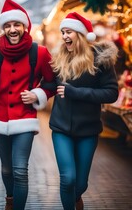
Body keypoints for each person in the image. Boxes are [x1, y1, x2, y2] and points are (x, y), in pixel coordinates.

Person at [0, 0, 56, 210]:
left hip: (25, 119)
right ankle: (10, 200)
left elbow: (52, 82)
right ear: (3, 28)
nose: (12, 29)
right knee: (6, 170)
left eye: (16, 25)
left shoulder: (39, 53)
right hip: (0, 119)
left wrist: (37, 94)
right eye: (8, 26)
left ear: (24, 26)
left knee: (20, 170)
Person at [42, 12, 118, 210]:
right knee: (68, 179)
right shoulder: (58, 59)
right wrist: (36, 92)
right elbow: (49, 85)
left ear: (81, 34)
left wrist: (76, 92)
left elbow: (111, 93)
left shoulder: (100, 59)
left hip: (88, 130)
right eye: (63, 32)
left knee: (81, 183)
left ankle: (76, 199)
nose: (65, 36)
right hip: (61, 128)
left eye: (69, 32)